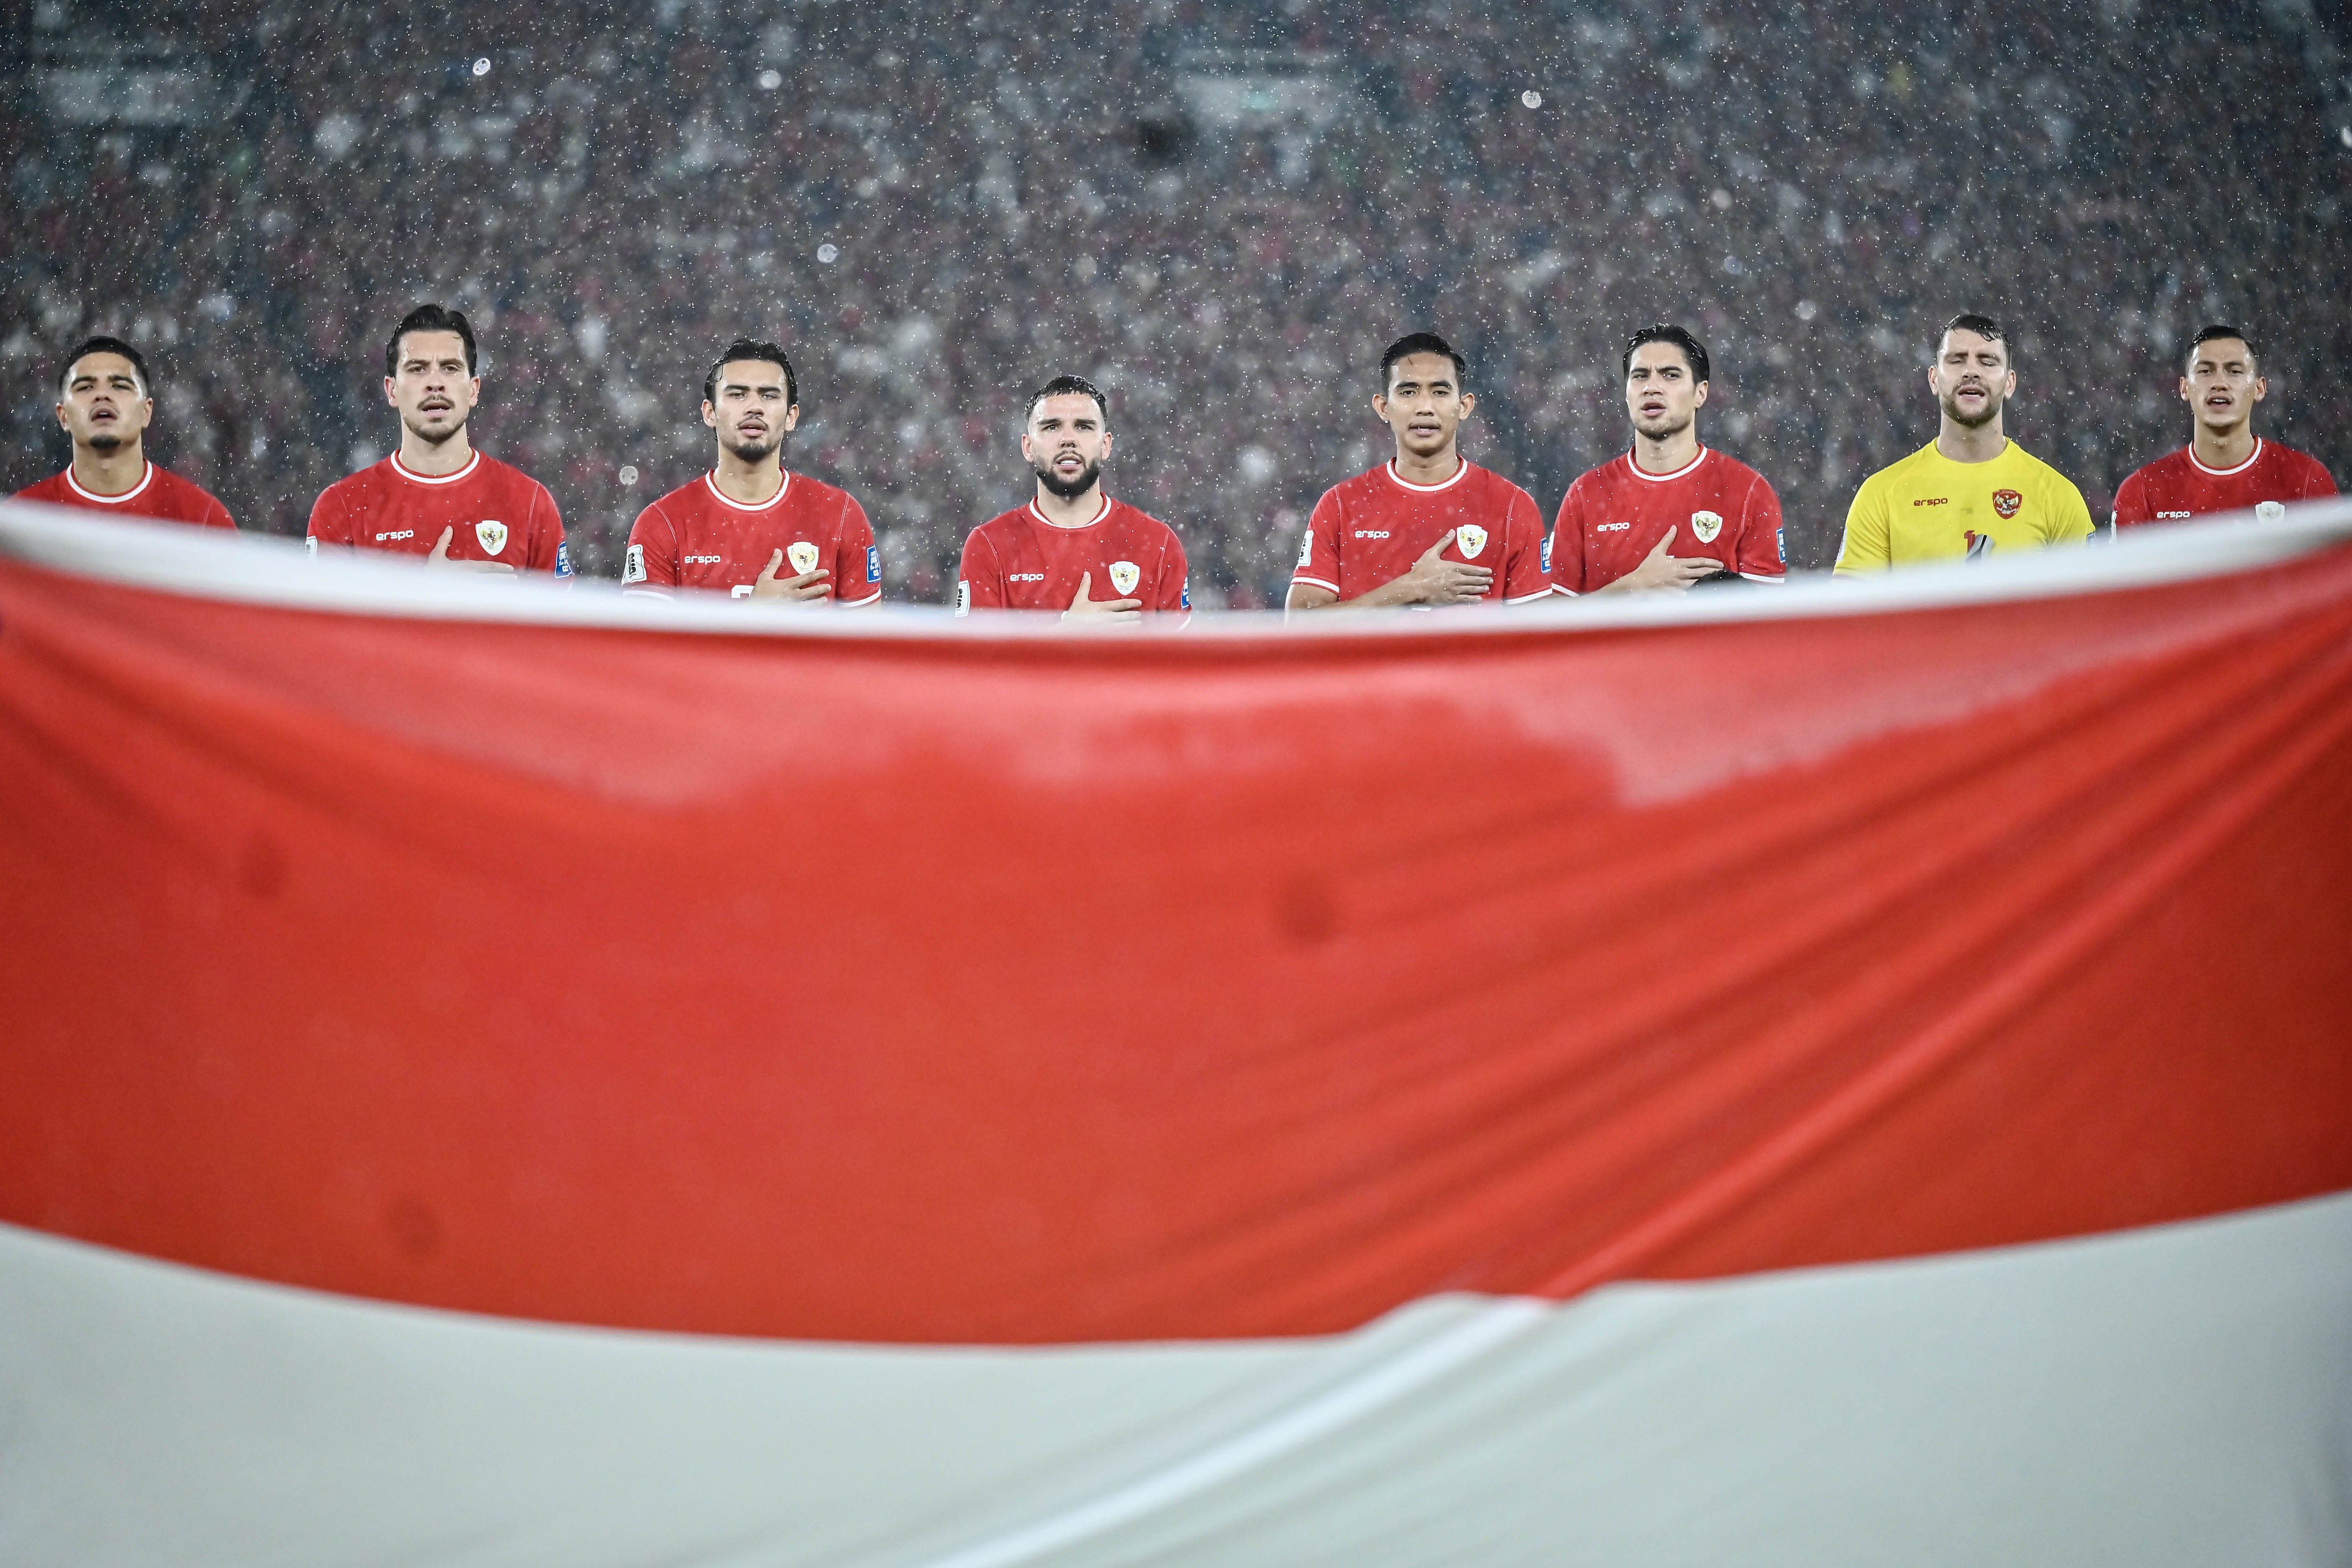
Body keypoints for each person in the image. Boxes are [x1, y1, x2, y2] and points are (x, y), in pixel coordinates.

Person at [1287, 332, 1551, 613]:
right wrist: (1411, 589)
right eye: (1408, 392)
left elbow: (1540, 637)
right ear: (1383, 407)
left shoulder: (1512, 507)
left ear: (1464, 406)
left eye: (1439, 392)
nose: (1425, 407)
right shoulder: (1340, 505)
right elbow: (1301, 625)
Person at [307, 304, 568, 575]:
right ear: (392, 390)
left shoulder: (531, 504)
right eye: (418, 369)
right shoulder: (341, 507)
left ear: (473, 390)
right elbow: (316, 619)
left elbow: (563, 617)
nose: (435, 383)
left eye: (451, 368)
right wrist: (430, 598)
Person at [620, 340, 880, 604]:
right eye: (737, 394)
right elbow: (643, 645)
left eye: (769, 395)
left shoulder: (841, 515)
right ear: (710, 412)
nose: (754, 407)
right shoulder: (662, 524)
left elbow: (870, 642)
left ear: (791, 416)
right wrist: (754, 620)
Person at [1834, 314, 2094, 573]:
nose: (1971, 371)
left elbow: (2090, 607)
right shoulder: (1881, 496)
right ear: (1934, 379)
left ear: (2010, 383)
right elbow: (1851, 610)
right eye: (1957, 360)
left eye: (1988, 362)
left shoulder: (2058, 498)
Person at [1549, 325, 1783, 595]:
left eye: (1670, 375)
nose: (1652, 387)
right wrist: (1634, 586)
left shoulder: (1749, 493)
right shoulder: (1585, 495)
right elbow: (1552, 625)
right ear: (1626, 394)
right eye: (1640, 376)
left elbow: (1768, 625)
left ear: (1701, 393)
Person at [954, 374, 1188, 623]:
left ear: (1106, 445)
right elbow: (975, 662)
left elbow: (1185, 659)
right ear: (1028, 447)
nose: (1068, 439)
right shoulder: (989, 546)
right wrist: (1067, 637)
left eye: (1084, 426)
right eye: (1052, 427)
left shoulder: (1158, 543)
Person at [2110, 325, 2337, 529]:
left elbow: (2335, 572)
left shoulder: (2307, 481)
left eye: (2235, 371)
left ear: (2260, 388)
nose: (2219, 383)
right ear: (2185, 388)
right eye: (2205, 371)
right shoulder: (2143, 491)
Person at [13, 335, 234, 528]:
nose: (102, 395)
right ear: (63, 416)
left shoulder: (203, 517)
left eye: (119, 386)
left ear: (146, 412)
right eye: (85, 387)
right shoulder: (21, 519)